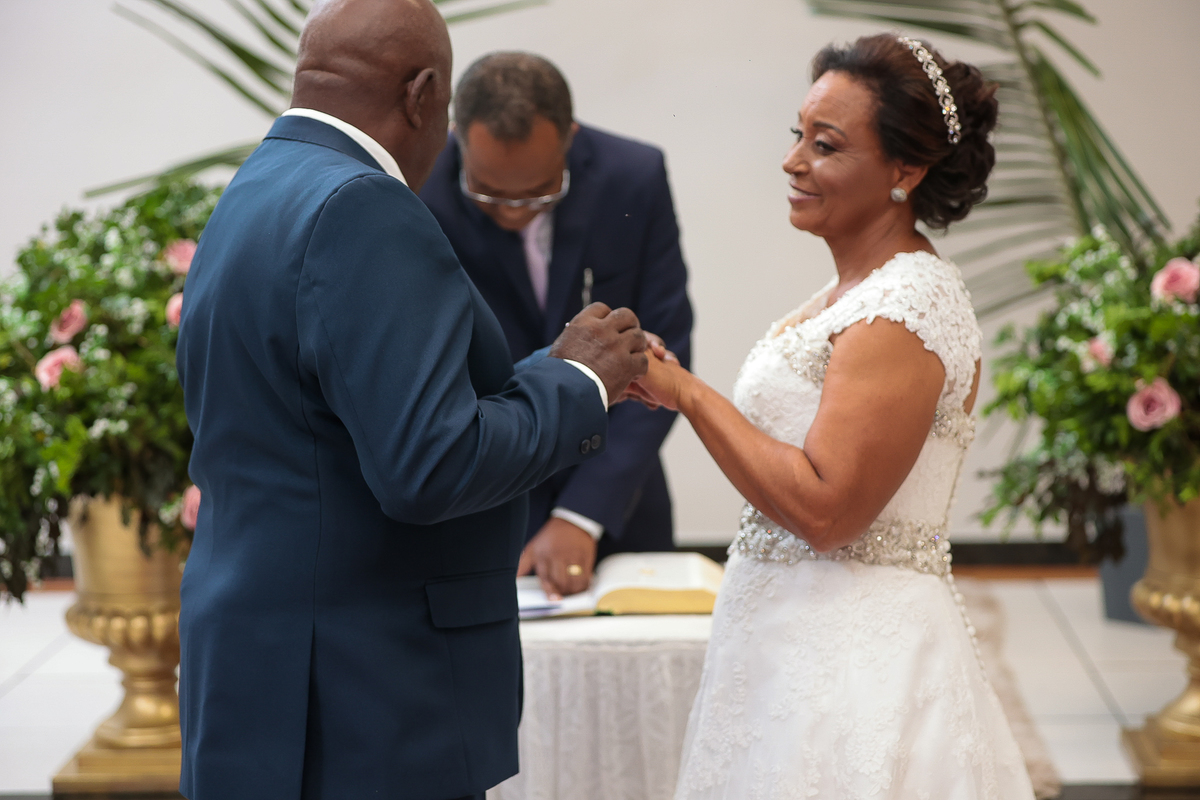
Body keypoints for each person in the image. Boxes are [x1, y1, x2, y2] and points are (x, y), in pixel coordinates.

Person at [173, 0, 651, 797]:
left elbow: (343, 414)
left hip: (258, 665)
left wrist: (550, 366)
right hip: (360, 691)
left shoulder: (258, 185)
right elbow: (430, 463)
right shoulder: (362, 205)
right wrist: (579, 383)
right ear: (424, 94)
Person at [635, 34, 1036, 798]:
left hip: (855, 665)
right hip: (788, 645)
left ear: (905, 171)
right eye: (799, 135)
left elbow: (827, 511)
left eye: (825, 145)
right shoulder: (849, 295)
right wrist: (670, 384)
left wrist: (689, 396)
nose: (793, 161)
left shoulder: (904, 307)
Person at [420, 53, 692, 599]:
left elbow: (664, 350)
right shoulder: (416, 189)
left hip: (616, 505)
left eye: (540, 191)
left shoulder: (632, 178)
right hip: (477, 512)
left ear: (570, 135)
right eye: (488, 192)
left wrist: (581, 515)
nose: (514, 211)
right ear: (456, 138)